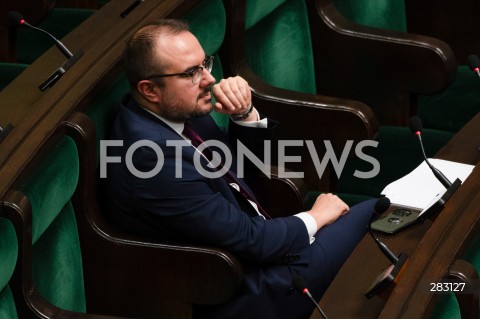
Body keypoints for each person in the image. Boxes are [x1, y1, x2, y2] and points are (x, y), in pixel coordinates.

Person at [103, 19, 377, 319]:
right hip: (239, 291)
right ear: (150, 90)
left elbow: (233, 177)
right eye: (191, 73)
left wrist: (245, 115)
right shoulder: (151, 160)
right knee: (377, 213)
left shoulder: (173, 109)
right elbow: (252, 240)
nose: (209, 79)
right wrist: (315, 217)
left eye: (205, 64)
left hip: (256, 252)